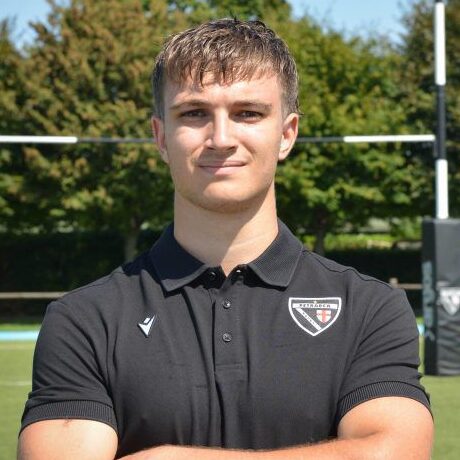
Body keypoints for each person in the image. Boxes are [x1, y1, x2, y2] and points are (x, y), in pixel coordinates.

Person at [18, 18, 433, 460]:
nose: (221, 138)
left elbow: (394, 452)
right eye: (194, 113)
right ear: (161, 136)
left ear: (287, 134)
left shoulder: (367, 308)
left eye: (247, 113)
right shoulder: (85, 320)